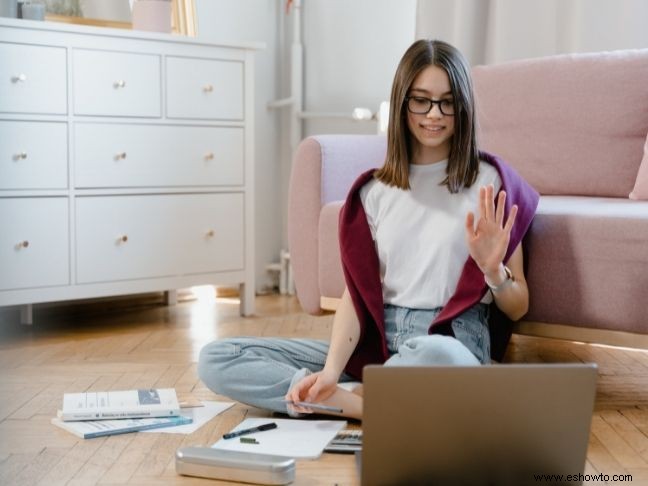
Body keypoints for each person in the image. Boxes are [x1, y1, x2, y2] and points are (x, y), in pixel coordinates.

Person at [198, 39, 539, 421]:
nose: (434, 114)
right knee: (218, 357)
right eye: (421, 100)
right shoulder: (375, 191)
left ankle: (348, 403)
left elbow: (518, 304)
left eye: (447, 102)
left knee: (439, 357)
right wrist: (329, 371)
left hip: (451, 342)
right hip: (377, 343)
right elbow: (356, 297)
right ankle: (344, 397)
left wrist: (494, 272)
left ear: (463, 105)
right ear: (402, 102)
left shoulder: (491, 182)